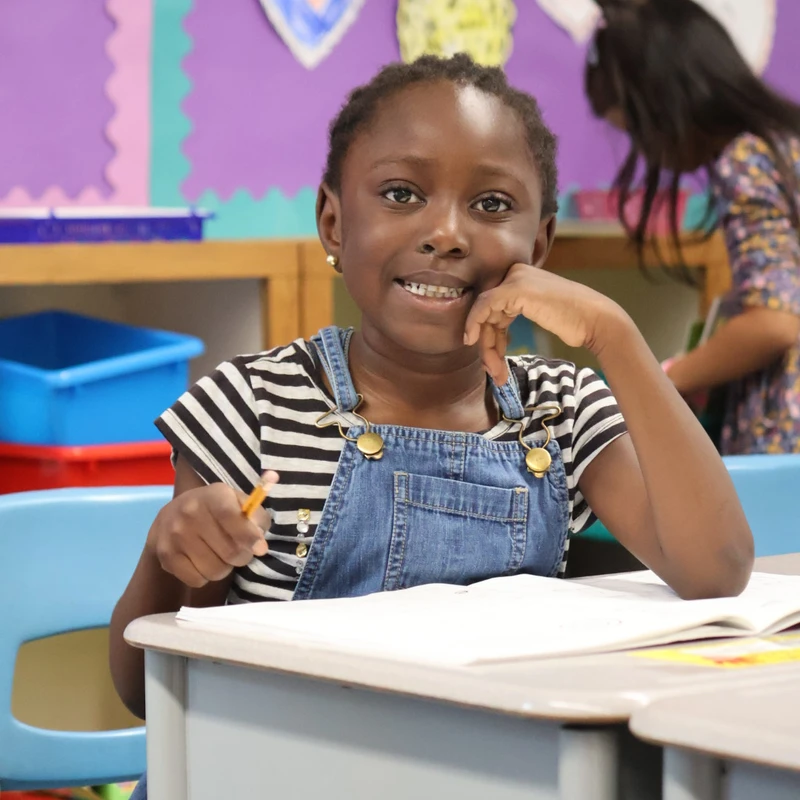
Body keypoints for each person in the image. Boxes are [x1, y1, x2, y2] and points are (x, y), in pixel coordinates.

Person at [114, 54, 753, 798]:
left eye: (490, 205)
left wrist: (615, 334)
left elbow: (717, 570)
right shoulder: (254, 406)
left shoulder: (562, 409)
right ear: (333, 220)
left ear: (538, 248)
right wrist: (169, 558)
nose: (447, 233)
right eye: (401, 193)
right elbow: (142, 693)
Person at [585, 0, 800, 454]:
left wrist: (667, 377)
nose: (648, 154)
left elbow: (776, 321)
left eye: (638, 131)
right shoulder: (786, 146)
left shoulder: (746, 159)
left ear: (667, 103)